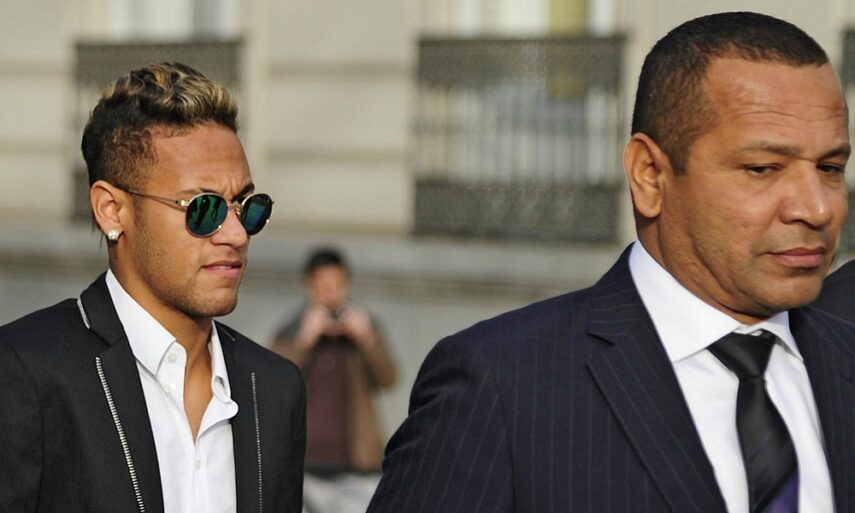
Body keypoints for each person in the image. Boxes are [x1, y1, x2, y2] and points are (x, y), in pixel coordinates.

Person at [367, 12, 855, 513]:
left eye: (830, 167)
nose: (817, 208)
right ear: (649, 175)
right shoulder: (502, 386)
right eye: (763, 168)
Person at [0, 62, 305, 513]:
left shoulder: (276, 389)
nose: (236, 234)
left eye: (247, 206)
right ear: (112, 210)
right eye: (203, 208)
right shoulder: (25, 372)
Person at [273, 248, 397, 472]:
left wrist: (367, 339)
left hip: (356, 459)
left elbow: (388, 379)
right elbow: (275, 382)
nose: (331, 293)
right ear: (309, 285)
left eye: (337, 285)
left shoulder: (364, 327)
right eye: (323, 285)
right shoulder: (291, 329)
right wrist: (305, 340)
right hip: (304, 459)